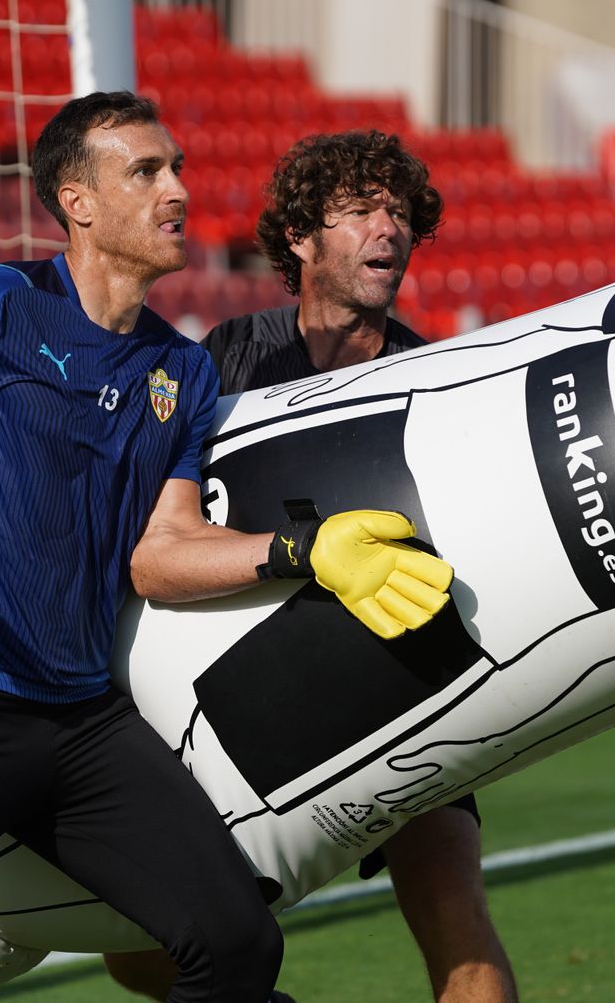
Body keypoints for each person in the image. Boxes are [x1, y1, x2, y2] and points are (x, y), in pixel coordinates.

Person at [0, 94, 455, 1003]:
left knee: (237, 946)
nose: (178, 191)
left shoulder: (182, 369)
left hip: (80, 723)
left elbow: (162, 552)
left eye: (180, 169)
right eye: (147, 171)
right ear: (78, 202)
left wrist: (305, 552)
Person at [103, 130, 519, 1003]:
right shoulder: (227, 360)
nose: (389, 229)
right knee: (138, 949)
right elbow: (165, 523)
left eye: (401, 213)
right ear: (300, 238)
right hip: (252, 676)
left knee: (456, 920)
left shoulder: (433, 377)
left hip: (402, 673)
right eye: (362, 210)